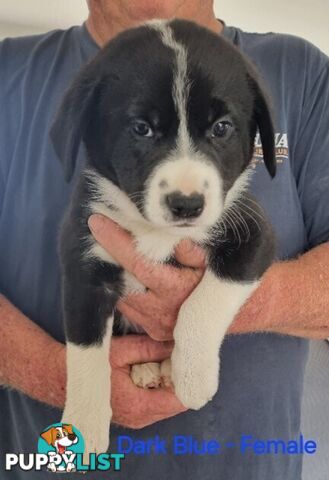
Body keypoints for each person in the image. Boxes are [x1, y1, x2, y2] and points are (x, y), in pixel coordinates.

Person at [0, 0, 328, 478]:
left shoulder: (301, 73)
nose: (185, 188)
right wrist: (56, 375)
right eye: (141, 128)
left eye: (219, 128)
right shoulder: (9, 74)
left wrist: (239, 308)